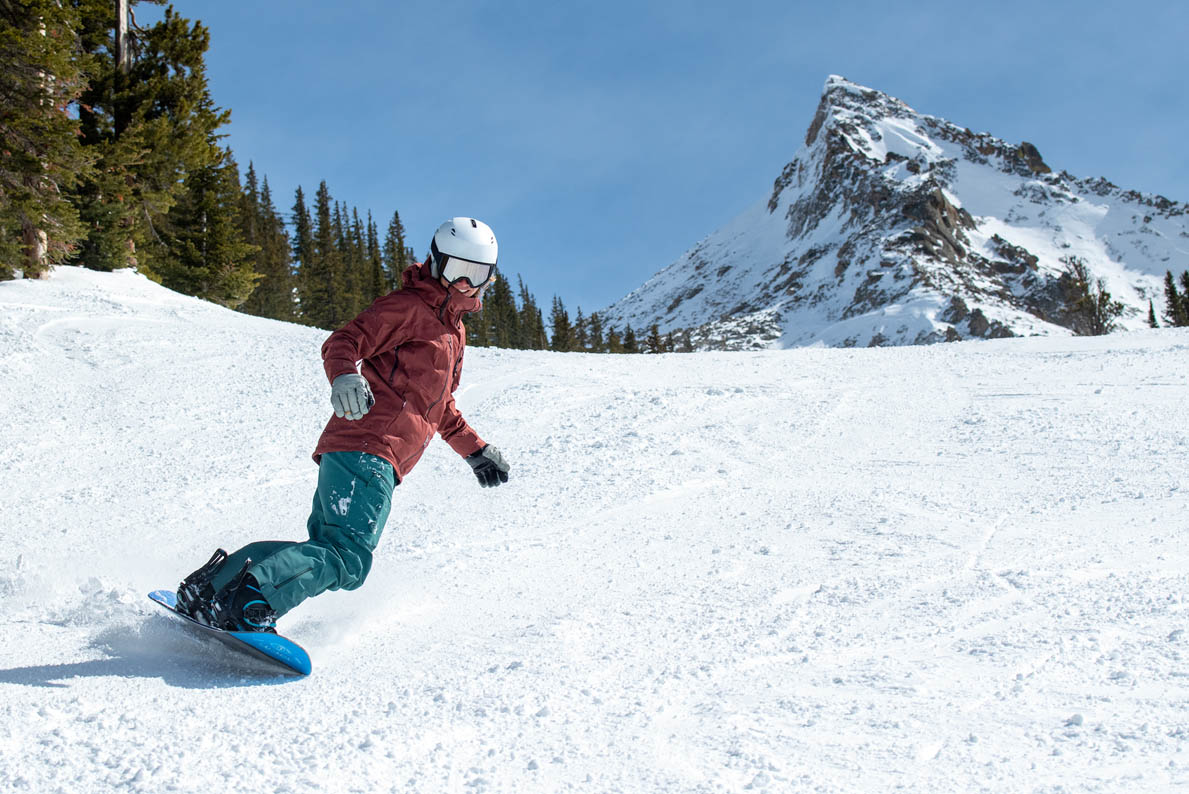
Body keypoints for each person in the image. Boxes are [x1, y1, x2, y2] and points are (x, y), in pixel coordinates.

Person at [174, 217, 510, 633]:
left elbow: (438, 407)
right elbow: (344, 341)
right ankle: (250, 599)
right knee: (348, 557)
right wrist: (345, 375)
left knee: (326, 548)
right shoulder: (410, 307)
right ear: (436, 262)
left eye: (476, 274)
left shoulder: (453, 332)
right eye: (457, 269)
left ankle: (211, 591)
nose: (465, 283)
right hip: (370, 447)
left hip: (363, 450)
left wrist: (475, 451)